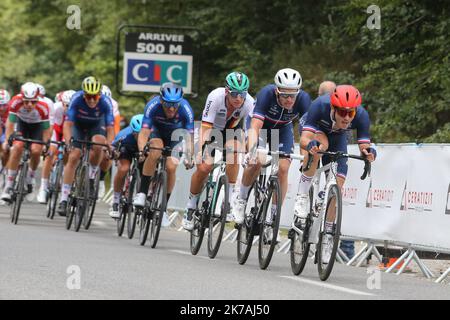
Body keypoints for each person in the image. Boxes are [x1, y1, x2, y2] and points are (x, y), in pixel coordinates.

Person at [294, 84, 377, 263]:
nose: (347, 117)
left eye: (351, 113)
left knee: (337, 188)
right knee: (319, 149)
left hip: (338, 137)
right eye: (342, 112)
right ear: (333, 107)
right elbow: (304, 139)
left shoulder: (361, 115)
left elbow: (364, 143)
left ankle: (328, 238)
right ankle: (302, 196)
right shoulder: (320, 105)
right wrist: (309, 146)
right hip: (316, 129)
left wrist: (369, 152)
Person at [232, 68, 311, 228]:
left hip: (282, 129)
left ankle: (273, 216)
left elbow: (306, 134)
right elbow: (255, 126)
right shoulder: (266, 94)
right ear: (277, 91)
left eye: (293, 95)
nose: (289, 100)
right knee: (258, 160)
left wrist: (305, 156)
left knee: (283, 168)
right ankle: (241, 199)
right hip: (260, 127)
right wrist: (252, 149)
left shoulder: (303, 99)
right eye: (284, 95)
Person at [182, 72, 254, 230]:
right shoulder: (215, 97)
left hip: (232, 131)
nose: (238, 98)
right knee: (204, 167)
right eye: (234, 94)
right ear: (227, 92)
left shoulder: (249, 102)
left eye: (242, 94)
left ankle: (227, 201)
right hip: (212, 129)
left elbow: (251, 133)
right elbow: (206, 128)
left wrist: (249, 151)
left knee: (235, 152)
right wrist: (200, 151)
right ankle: (191, 205)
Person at [57, 76, 115, 216]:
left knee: (99, 143)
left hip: (96, 126)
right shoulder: (76, 100)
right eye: (88, 96)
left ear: (99, 95)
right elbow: (67, 124)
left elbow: (110, 129)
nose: (91, 100)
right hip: (78, 125)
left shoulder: (106, 103)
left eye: (94, 97)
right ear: (84, 94)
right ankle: (64, 199)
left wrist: (110, 145)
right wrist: (68, 141)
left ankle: (92, 175)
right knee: (74, 156)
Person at [133, 82, 194, 211]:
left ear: (180, 101)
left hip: (175, 136)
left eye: (175, 105)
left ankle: (164, 207)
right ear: (161, 100)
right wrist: (141, 151)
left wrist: (189, 156)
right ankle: (142, 193)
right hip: (157, 131)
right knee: (155, 151)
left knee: (171, 167)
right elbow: (144, 133)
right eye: (167, 104)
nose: (171, 109)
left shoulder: (186, 109)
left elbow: (189, 137)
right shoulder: (153, 106)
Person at [1, 82, 51, 201]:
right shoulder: (15, 102)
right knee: (17, 147)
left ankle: (30, 176)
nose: (29, 105)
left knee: (36, 150)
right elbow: (11, 123)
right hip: (22, 125)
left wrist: (46, 144)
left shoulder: (43, 107)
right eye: (26, 101)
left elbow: (46, 129)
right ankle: (8, 185)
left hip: (37, 127)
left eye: (33, 102)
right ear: (21, 98)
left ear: (37, 99)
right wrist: (8, 139)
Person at [37, 90, 76, 203]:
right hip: (56, 130)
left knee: (69, 152)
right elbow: (50, 127)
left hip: (69, 132)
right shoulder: (56, 107)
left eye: (71, 106)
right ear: (62, 103)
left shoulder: (78, 110)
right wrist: (48, 143)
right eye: (67, 105)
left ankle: (65, 175)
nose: (69, 108)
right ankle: (43, 188)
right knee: (50, 152)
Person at [108, 114, 143, 219]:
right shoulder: (124, 135)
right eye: (137, 134)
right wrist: (114, 155)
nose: (139, 137)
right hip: (127, 148)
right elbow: (112, 149)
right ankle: (115, 200)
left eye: (142, 134)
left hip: (143, 151)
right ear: (132, 131)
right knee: (124, 169)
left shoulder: (151, 134)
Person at [98, 85, 121, 198]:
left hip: (107, 126)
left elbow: (115, 126)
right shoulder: (91, 101)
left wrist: (112, 143)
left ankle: (101, 179)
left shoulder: (114, 104)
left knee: (108, 153)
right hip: (92, 123)